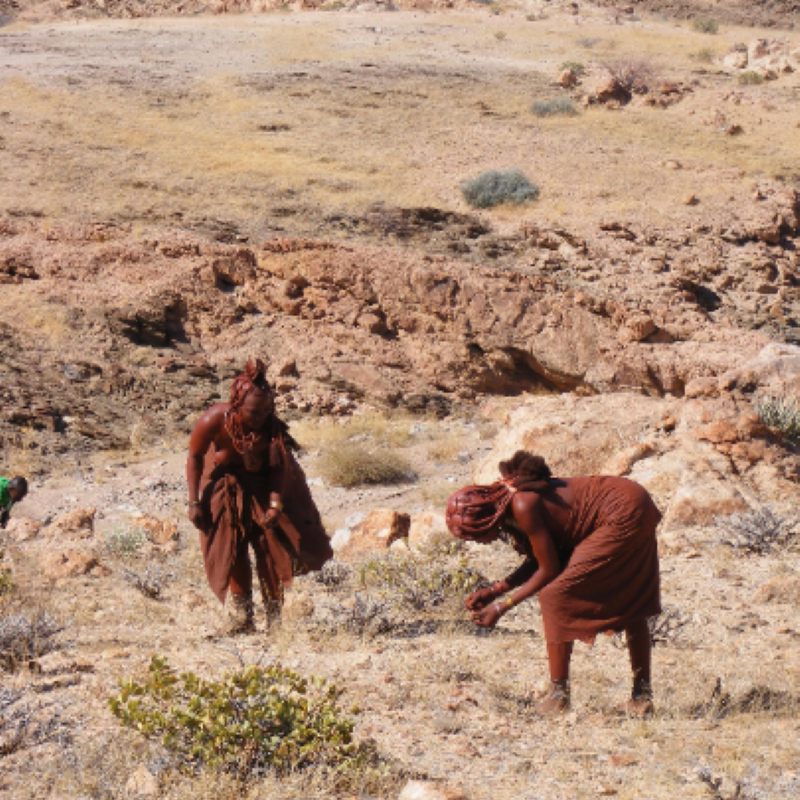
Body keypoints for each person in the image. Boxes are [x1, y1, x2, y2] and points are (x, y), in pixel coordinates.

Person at [446, 451, 662, 717]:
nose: (479, 542)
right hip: (630, 500)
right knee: (631, 601)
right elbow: (541, 558)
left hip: (622, 512)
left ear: (486, 519)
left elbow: (549, 570)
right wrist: (494, 590)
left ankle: (559, 697)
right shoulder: (511, 501)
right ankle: (642, 697)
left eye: (476, 535)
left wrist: (501, 607)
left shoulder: (523, 506)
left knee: (555, 595)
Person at [186, 358, 332, 634]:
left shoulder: (270, 427)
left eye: (265, 411)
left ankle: (274, 621)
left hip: (263, 486)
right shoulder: (214, 419)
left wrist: (275, 505)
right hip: (223, 485)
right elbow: (194, 456)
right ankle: (244, 618)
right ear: (236, 405)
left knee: (268, 549)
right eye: (253, 412)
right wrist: (194, 501)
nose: (259, 418)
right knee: (233, 549)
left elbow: (278, 467)